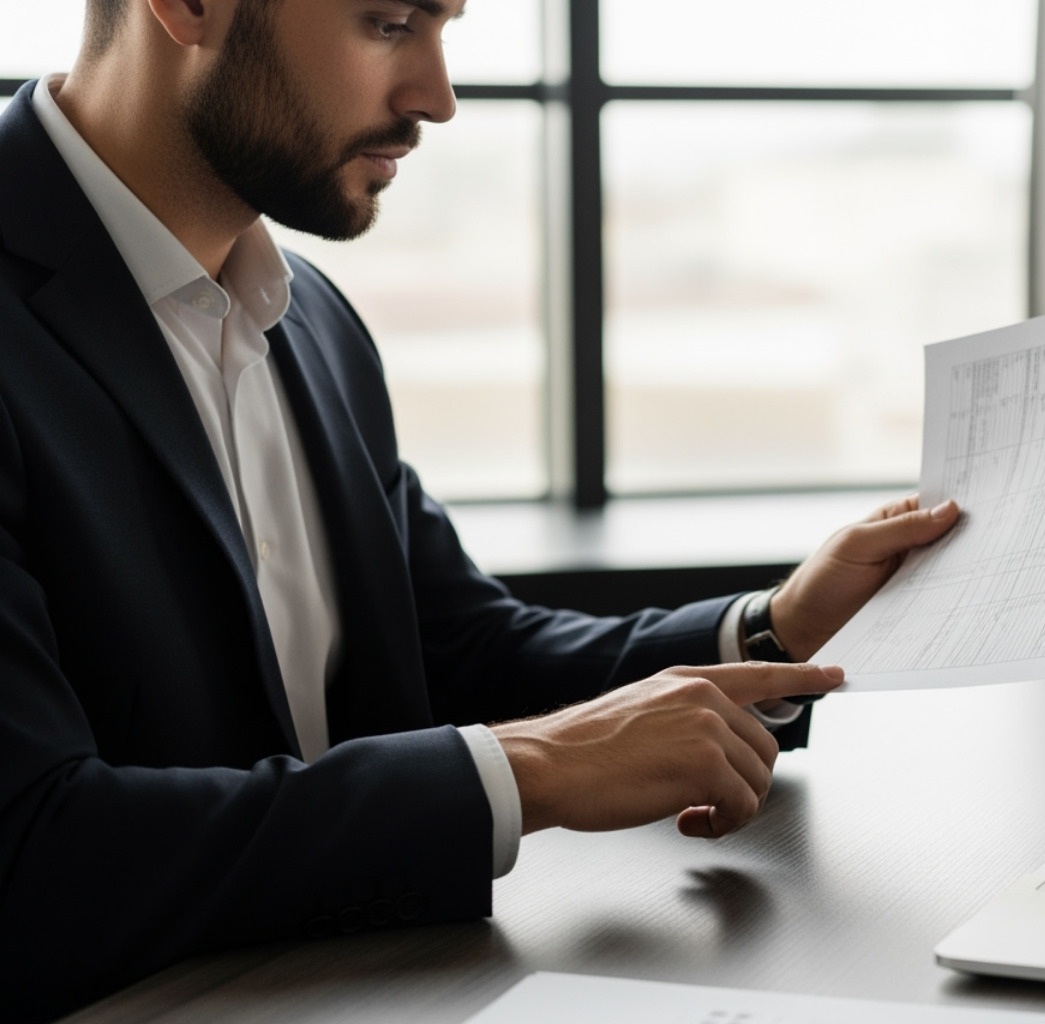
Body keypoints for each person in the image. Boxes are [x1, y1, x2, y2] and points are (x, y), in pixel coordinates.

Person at [0, 1, 962, 1020]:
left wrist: (774, 628)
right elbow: (31, 855)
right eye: (388, 22)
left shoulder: (311, 319)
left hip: (364, 988)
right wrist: (532, 769)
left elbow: (458, 649)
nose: (438, 97)